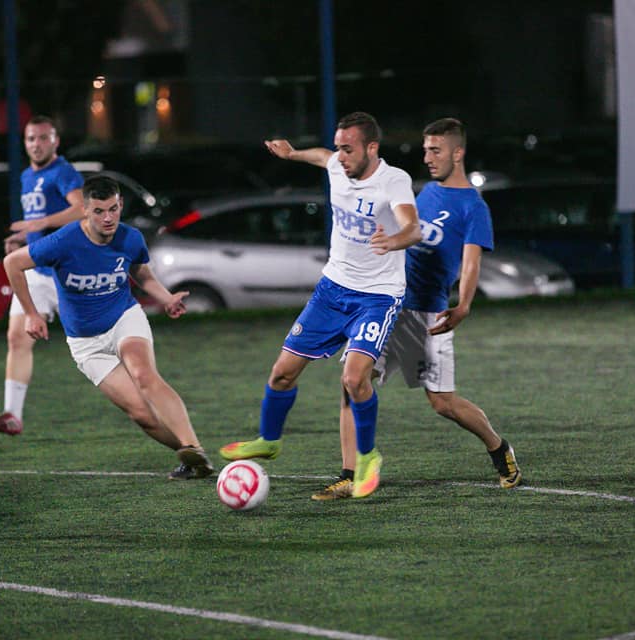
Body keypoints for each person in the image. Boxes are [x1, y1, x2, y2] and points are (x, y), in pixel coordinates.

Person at [311, 118, 521, 501]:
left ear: (458, 153)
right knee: (352, 382)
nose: (427, 157)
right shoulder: (421, 193)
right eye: (425, 149)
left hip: (427, 314)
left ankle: (497, 447)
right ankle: (349, 474)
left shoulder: (473, 207)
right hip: (386, 303)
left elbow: (470, 261)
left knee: (442, 403)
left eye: (435, 150)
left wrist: (465, 305)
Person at [219, 112, 422, 498]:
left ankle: (367, 458)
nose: (340, 156)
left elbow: (413, 226)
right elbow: (322, 155)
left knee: (354, 378)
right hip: (332, 289)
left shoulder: (393, 180)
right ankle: (269, 439)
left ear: (372, 148)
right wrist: (293, 154)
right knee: (281, 373)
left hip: (378, 296)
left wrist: (395, 241)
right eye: (340, 147)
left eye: (349, 149)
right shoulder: (336, 165)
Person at [2, 174, 213, 479]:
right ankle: (194, 458)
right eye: (99, 211)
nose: (108, 217)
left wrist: (166, 298)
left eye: (113, 209)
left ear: (121, 204)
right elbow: (12, 264)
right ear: (85, 210)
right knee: (141, 415)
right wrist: (32, 314)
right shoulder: (63, 242)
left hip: (123, 318)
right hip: (85, 343)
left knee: (143, 373)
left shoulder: (130, 238)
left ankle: (193, 446)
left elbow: (142, 274)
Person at [0, 115, 85, 436]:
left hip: (68, 273)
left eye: (43, 138)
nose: (36, 145)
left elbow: (81, 209)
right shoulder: (27, 176)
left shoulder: (63, 171)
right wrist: (23, 240)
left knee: (96, 344)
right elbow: (37, 224)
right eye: (31, 139)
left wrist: (40, 224)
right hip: (38, 273)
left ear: (55, 141)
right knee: (17, 338)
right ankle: (13, 415)